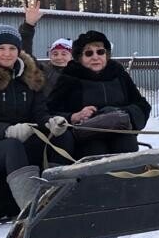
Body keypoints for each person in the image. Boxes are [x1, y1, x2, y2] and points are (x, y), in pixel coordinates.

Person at [0, 24, 73, 209]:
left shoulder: (30, 77)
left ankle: (56, 197)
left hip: (23, 141)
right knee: (12, 146)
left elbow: (39, 112)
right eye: (1, 48)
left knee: (62, 136)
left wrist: (51, 123)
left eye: (12, 48)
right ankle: (32, 210)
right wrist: (7, 131)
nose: (7, 53)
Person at [48, 30, 151, 159]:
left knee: (126, 146)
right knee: (95, 149)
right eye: (89, 53)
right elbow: (50, 111)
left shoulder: (118, 74)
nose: (95, 57)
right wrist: (74, 116)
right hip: (85, 139)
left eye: (100, 52)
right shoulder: (69, 77)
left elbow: (142, 105)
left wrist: (122, 113)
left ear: (106, 54)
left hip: (121, 134)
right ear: (80, 57)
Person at [18, 0, 70, 97]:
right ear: (50, 55)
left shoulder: (79, 72)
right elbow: (25, 54)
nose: (59, 57)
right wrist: (28, 25)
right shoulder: (42, 71)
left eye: (64, 54)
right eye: (55, 53)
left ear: (71, 56)